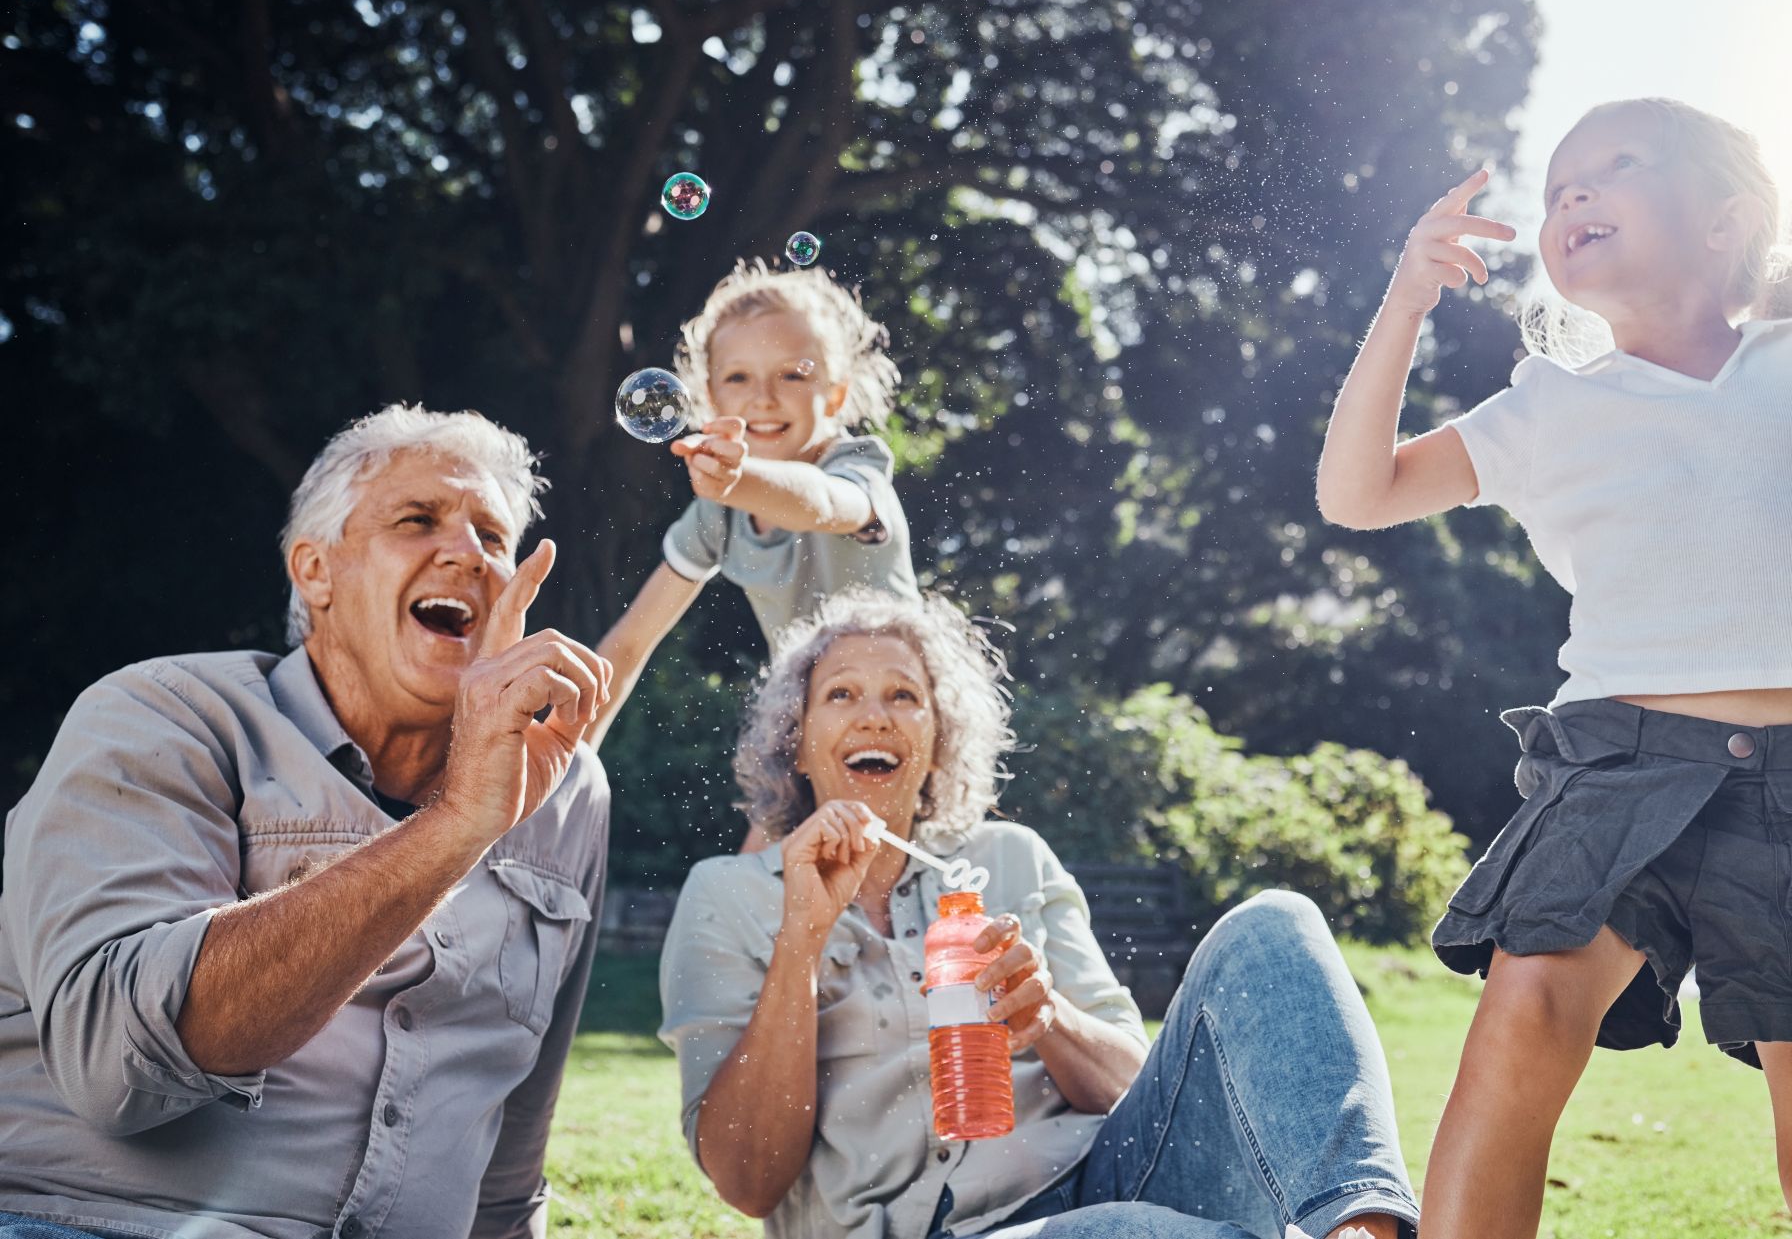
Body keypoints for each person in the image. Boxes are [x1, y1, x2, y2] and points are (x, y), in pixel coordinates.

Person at [1317, 97, 1792, 1238]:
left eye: (1612, 170)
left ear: (1723, 222)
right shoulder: (1552, 405)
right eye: (1556, 191)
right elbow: (1359, 493)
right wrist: (1404, 302)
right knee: (1526, 1015)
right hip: (1616, 763)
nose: (1571, 199)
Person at [0, 404, 615, 1238]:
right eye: (417, 519)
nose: (467, 555)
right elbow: (116, 1068)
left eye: (493, 537)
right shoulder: (164, 717)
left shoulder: (568, 787)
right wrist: (457, 824)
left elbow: (510, 1136)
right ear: (315, 570)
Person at [657, 589, 1419, 1239]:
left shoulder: (1011, 858)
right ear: (798, 743)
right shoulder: (728, 894)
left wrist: (1048, 1016)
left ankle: (1362, 1225)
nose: (876, 716)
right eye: (841, 694)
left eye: (904, 695)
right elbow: (748, 1180)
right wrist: (801, 941)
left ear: (937, 741)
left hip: (1103, 1179)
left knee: (1275, 925)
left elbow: (1136, 1087)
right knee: (1135, 1234)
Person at [587, 258, 917, 753]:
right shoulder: (719, 512)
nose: (763, 398)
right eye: (738, 378)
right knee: (774, 828)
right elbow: (630, 643)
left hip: (902, 712)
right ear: (709, 398)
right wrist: (565, 757)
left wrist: (742, 479)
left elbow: (823, 502)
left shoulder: (857, 467)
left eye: (791, 376)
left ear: (835, 394)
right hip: (813, 724)